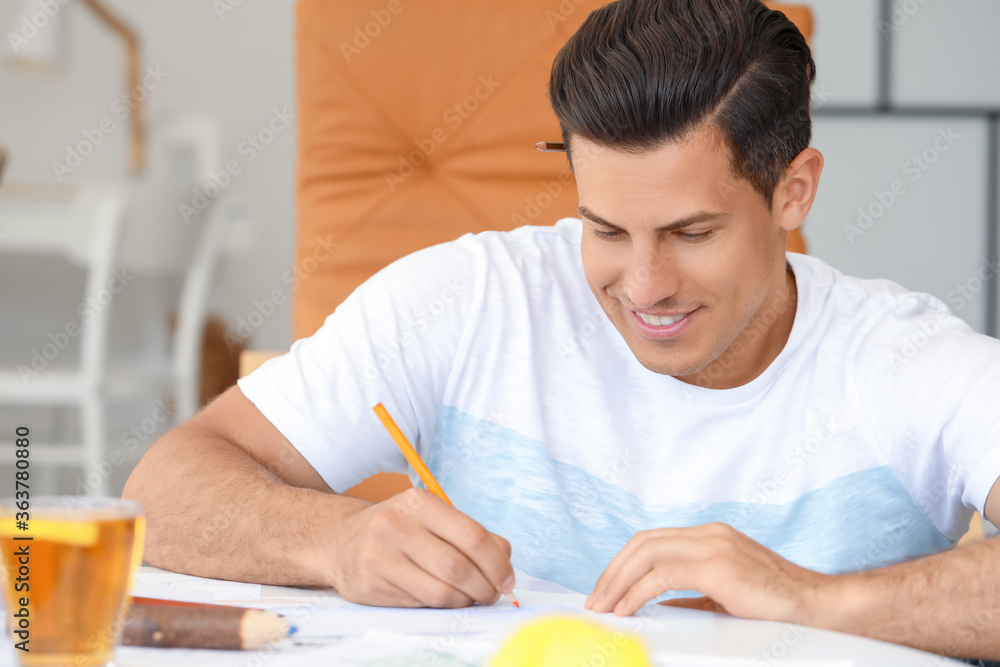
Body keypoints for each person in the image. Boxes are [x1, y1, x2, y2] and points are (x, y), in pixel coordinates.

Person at [124, 0, 1000, 661]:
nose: (646, 287)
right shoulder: (471, 299)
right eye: (607, 229)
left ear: (793, 192)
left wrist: (807, 598)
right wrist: (334, 538)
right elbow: (163, 488)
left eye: (692, 233)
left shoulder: (903, 358)